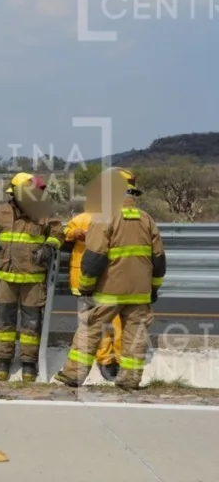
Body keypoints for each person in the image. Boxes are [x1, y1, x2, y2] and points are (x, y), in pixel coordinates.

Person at [55, 168, 166, 391]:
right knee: (135, 334)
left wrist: (86, 287)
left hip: (109, 290)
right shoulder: (147, 220)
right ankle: (130, 379)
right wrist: (153, 290)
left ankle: (73, 375)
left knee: (91, 327)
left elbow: (94, 257)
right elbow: (159, 261)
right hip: (140, 292)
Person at [0, 172, 64, 382]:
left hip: (33, 279)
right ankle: (4, 359)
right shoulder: (0, 211)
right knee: (4, 321)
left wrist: (49, 247)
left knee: (32, 323)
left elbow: (58, 233)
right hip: (6, 276)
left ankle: (28, 363)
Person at [64, 208, 123, 381]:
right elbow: (65, 231)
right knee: (95, 323)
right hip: (86, 279)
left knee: (118, 321)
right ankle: (105, 359)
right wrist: (74, 233)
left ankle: (120, 359)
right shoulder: (83, 218)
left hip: (112, 279)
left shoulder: (121, 219)